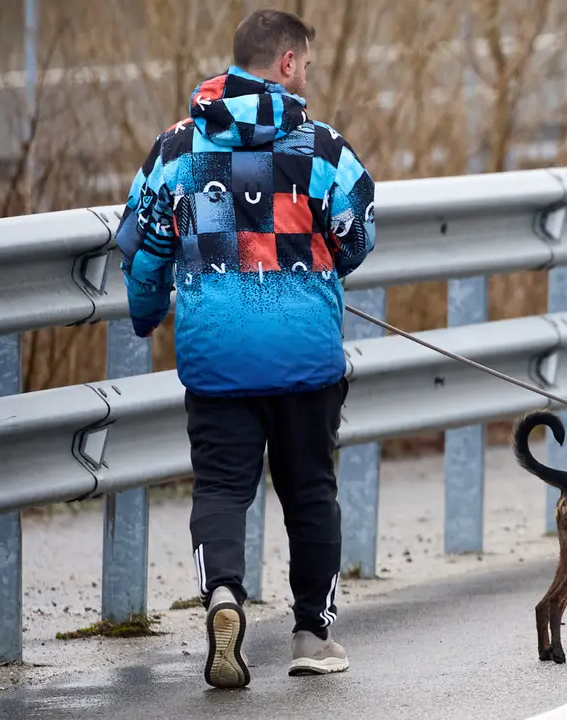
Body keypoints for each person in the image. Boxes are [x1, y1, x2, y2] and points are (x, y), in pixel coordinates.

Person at [112, 8, 376, 688]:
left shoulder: (175, 148)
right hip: (303, 352)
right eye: (306, 65)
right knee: (310, 490)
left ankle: (224, 596)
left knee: (224, 488)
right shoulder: (322, 148)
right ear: (287, 63)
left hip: (217, 353)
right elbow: (356, 230)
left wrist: (146, 316)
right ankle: (312, 633)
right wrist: (318, 270)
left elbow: (145, 250)